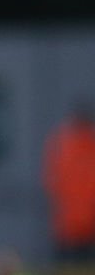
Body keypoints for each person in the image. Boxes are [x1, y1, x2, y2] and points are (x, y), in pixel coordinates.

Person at [42, 100, 95, 262]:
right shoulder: (65, 143)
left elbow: (50, 181)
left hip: (68, 224)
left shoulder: (61, 143)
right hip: (77, 225)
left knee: (68, 270)